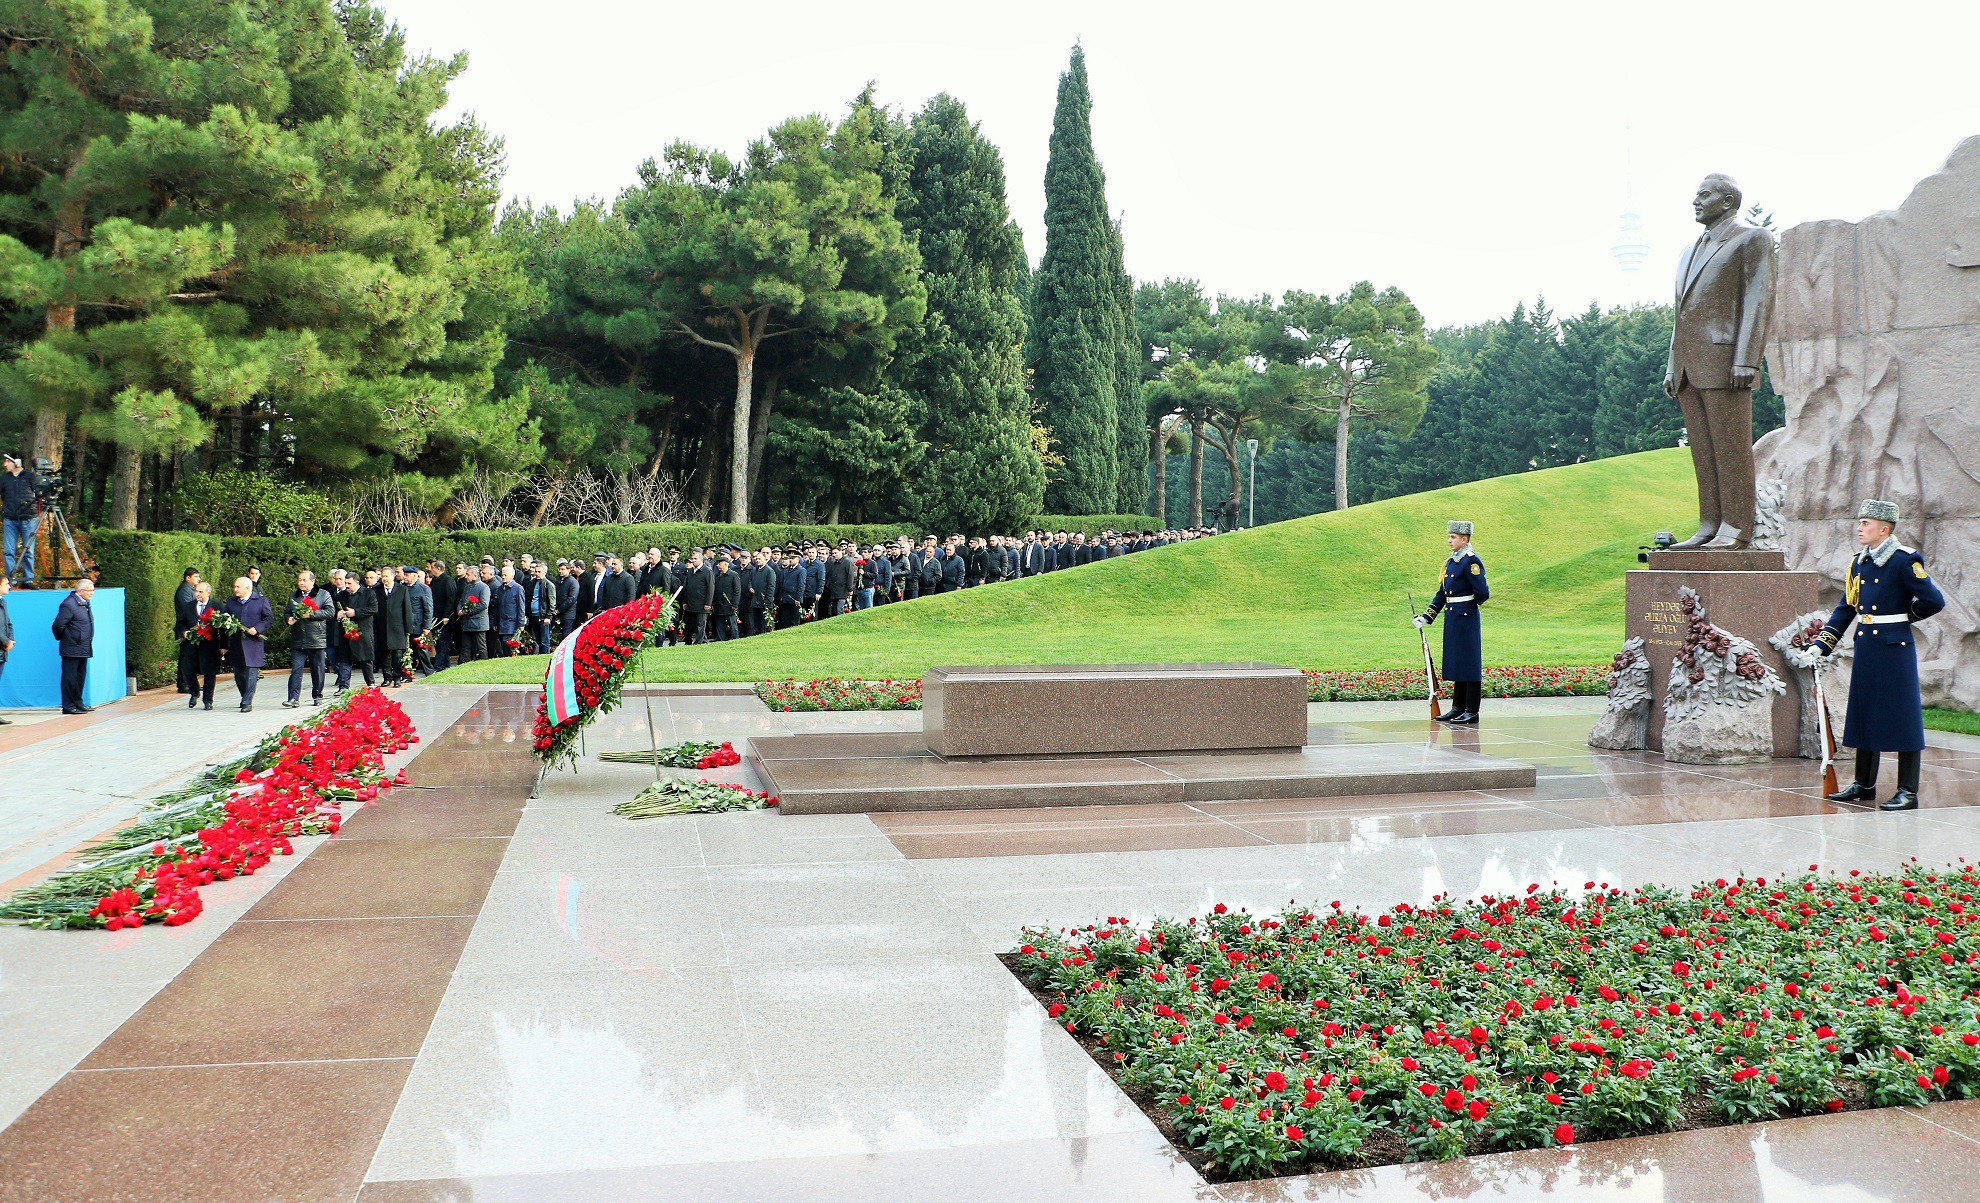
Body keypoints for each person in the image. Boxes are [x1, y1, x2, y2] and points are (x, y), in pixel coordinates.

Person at [1664, 173, 1775, 550]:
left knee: (1731, 449)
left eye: (1705, 195)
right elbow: (1682, 315)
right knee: (1704, 452)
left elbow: (1758, 299)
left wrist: (1748, 358)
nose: (1695, 202)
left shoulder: (1751, 239)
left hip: (1727, 361)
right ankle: (1709, 524)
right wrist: (1671, 365)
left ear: (1727, 202)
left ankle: (1737, 527)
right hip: (1688, 367)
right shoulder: (1688, 251)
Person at [1815, 499, 1946, 811]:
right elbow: (1847, 607)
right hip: (1867, 647)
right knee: (1865, 713)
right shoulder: (1860, 563)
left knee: (1904, 717)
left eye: (1866, 524)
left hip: (1894, 647)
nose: (1859, 528)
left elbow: (1933, 601)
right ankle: (1864, 784)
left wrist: (1904, 617)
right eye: (1860, 523)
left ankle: (1907, 791)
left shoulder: (1904, 560)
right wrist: (1822, 644)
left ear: (1884, 529)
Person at [1415, 520, 1489, 725]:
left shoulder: (1471, 561)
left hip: (1466, 618)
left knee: (1470, 664)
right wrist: (1427, 616)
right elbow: (1443, 593)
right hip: (1453, 618)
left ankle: (1472, 710)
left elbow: (1482, 593)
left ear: (1464, 539)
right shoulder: (1451, 562)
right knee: (1458, 662)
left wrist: (1466, 604)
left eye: (1453, 537)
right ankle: (1458, 707)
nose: (1449, 540)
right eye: (1449, 536)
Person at [221, 576, 273, 712]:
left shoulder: (261, 601)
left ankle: (247, 701)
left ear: (248, 588)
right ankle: (245, 695)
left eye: (238, 587)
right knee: (238, 673)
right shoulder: (231, 602)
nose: (235, 589)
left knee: (251, 672)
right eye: (234, 586)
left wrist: (257, 628)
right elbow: (224, 616)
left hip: (253, 643)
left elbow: (268, 618)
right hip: (236, 642)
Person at [284, 569, 333, 707]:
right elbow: (287, 612)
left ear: (312, 581)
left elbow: (330, 611)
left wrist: (311, 614)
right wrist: (288, 619)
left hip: (316, 637)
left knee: (317, 669)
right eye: (299, 580)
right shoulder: (294, 595)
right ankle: (293, 698)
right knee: (296, 668)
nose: (301, 583)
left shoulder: (323, 594)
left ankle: (317, 695)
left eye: (304, 580)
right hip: (298, 638)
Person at [52, 577, 94, 714]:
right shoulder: (69, 604)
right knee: (70, 678)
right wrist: (68, 639)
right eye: (89, 591)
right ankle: (68, 706)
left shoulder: (84, 604)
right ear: (80, 591)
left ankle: (78, 702)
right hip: (71, 647)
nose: (92, 593)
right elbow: (58, 625)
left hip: (83, 647)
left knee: (80, 677)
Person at [1, 453, 39, 586]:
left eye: (7, 461)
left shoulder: (31, 477)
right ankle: (11, 581)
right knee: (8, 551)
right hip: (10, 519)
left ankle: (27, 580)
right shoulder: (4, 479)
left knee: (28, 551)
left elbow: (40, 495)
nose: (5, 464)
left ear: (16, 462)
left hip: (28, 519)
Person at [185, 580, 221, 710]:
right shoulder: (188, 606)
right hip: (192, 644)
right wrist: (184, 632)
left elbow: (222, 628)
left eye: (200, 591)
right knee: (188, 670)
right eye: (196, 591)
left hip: (209, 645)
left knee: (209, 673)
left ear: (208, 592)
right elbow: (181, 623)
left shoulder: (217, 606)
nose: (197, 594)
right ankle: (194, 692)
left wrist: (223, 646)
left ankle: (208, 700)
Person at [376, 564, 414, 684]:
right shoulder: (376, 590)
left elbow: (407, 609)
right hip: (382, 626)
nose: (385, 579)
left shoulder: (402, 590)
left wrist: (408, 628)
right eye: (383, 576)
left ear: (393, 576)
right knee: (384, 654)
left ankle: (397, 677)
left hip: (397, 627)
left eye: (387, 576)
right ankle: (387, 678)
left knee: (398, 654)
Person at [173, 567, 202, 695]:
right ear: (188, 577)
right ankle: (184, 684)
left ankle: (189, 684)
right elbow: (189, 609)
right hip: (186, 628)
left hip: (189, 628)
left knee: (190, 657)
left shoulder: (189, 589)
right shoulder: (184, 590)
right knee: (186, 657)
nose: (198, 579)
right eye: (196, 577)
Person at [678, 549, 713, 644]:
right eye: (692, 559)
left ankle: (698, 642)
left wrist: (708, 603)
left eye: (695, 559)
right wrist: (685, 602)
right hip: (691, 603)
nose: (693, 561)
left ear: (701, 559)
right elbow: (687, 587)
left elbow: (710, 588)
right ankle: (704, 640)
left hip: (702, 603)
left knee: (701, 624)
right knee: (694, 624)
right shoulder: (690, 572)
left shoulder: (707, 571)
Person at [456, 566, 491, 662]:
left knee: (481, 647)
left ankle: (485, 665)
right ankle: (464, 665)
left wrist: (466, 611)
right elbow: (461, 600)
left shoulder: (484, 587)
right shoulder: (467, 587)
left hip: (478, 622)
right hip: (467, 622)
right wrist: (459, 609)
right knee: (465, 646)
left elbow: (484, 604)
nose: (466, 576)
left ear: (475, 576)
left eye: (468, 574)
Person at [491, 564, 525, 657]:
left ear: (512, 576)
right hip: (501, 623)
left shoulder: (518, 588)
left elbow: (521, 607)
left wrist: (521, 623)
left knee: (508, 644)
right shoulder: (500, 589)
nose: (503, 577)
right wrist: (495, 622)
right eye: (502, 575)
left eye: (505, 575)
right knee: (503, 645)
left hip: (511, 622)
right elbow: (497, 607)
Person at [406, 567, 435, 675]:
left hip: (418, 623)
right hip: (407, 624)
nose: (405, 577)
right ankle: (408, 672)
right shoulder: (403, 588)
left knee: (422, 649)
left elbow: (428, 608)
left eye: (407, 575)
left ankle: (429, 671)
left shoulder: (423, 588)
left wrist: (427, 626)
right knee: (407, 650)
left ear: (415, 576)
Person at [711, 553, 742, 640]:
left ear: (726, 564)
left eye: (719, 563)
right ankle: (721, 639)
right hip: (719, 605)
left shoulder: (733, 575)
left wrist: (735, 604)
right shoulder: (717, 576)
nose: (717, 566)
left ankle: (734, 640)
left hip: (730, 605)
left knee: (732, 625)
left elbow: (737, 591)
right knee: (719, 624)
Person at [0, 574, 12, 721]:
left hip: (2, 650)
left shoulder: (3, 602)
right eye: (6, 583)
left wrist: (10, 639)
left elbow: (8, 624)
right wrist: (5, 641)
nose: (9, 586)